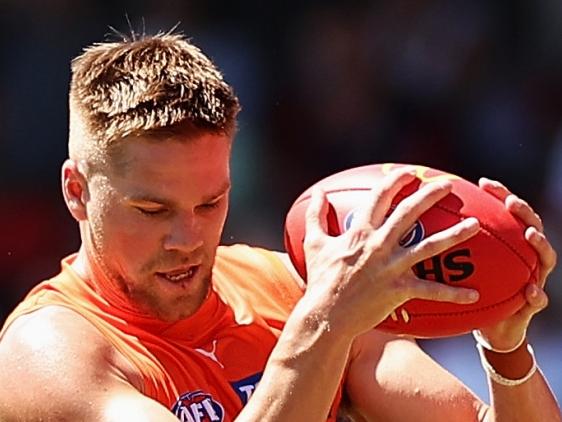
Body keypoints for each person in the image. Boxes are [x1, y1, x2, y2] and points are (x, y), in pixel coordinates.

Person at [0, 32, 559, 422]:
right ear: (77, 191)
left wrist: (505, 347)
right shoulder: (47, 355)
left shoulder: (286, 287)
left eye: (210, 203)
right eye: (153, 211)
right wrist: (327, 322)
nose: (188, 238)